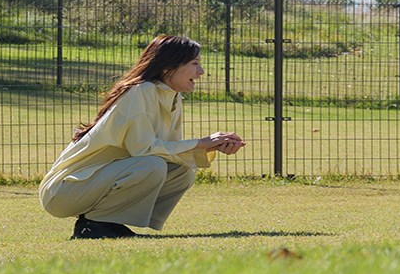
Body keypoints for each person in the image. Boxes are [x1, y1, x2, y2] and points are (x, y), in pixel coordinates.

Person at [39, 34, 245, 239]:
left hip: (91, 185)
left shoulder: (172, 96)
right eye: (194, 63)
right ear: (167, 68)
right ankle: (94, 226)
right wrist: (201, 142)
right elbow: (144, 150)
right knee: (152, 166)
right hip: (63, 191)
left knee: (182, 170)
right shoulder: (140, 91)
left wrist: (209, 146)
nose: (201, 71)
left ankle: (108, 224)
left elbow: (167, 150)